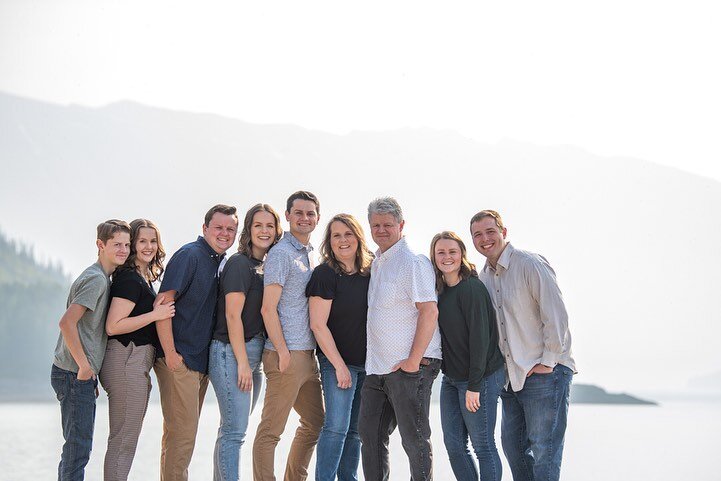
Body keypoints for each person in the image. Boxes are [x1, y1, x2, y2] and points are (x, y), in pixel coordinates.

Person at [470, 210, 576, 481]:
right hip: (511, 379)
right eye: (477, 234)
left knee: (545, 453)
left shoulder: (529, 264)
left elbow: (556, 315)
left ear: (504, 232)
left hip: (545, 373)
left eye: (490, 231)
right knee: (514, 449)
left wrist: (549, 361)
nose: (485, 239)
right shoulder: (483, 279)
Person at [359, 197, 442, 481]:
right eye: (375, 225)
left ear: (401, 225)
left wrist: (413, 362)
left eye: (387, 225)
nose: (381, 230)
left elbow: (429, 311)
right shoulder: (378, 263)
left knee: (414, 439)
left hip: (411, 368)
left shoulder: (413, 262)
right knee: (369, 436)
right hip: (377, 369)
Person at [154, 204, 239, 481]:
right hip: (180, 360)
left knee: (179, 437)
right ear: (205, 229)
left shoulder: (219, 261)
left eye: (230, 229)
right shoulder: (190, 255)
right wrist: (171, 355)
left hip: (199, 364)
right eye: (219, 227)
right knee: (182, 439)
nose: (224, 233)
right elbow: (162, 304)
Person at [51, 219, 131, 481]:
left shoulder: (102, 278)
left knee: (77, 449)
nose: (123, 250)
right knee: (78, 450)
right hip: (73, 373)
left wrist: (90, 371)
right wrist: (84, 367)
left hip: (78, 374)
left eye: (127, 245)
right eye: (117, 244)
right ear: (100, 245)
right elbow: (66, 323)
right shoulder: (96, 279)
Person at [253, 190, 325, 481]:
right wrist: (282, 351)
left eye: (310, 213)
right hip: (286, 355)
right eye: (299, 213)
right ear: (288, 216)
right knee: (271, 431)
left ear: (317, 218)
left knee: (315, 422)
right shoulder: (281, 254)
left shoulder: (310, 254)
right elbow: (268, 309)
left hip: (308, 356)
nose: (304, 218)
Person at [208, 204, 282, 481]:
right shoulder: (240, 263)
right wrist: (241, 362)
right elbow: (231, 314)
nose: (264, 231)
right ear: (249, 230)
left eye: (269, 226)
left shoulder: (267, 266)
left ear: (276, 231)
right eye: (258, 225)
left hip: (254, 355)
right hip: (231, 353)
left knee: (231, 429)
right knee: (234, 432)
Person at [99, 219, 174, 481]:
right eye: (142, 241)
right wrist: (156, 315)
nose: (149, 246)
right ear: (132, 244)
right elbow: (113, 326)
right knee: (123, 441)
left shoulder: (141, 277)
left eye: (153, 241)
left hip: (133, 361)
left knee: (124, 440)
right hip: (125, 359)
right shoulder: (130, 279)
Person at [430, 231, 505, 481]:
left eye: (452, 251)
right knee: (454, 448)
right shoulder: (439, 291)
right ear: (434, 256)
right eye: (441, 252)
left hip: (480, 377)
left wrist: (474, 385)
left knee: (483, 445)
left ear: (462, 254)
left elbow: (480, 340)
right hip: (452, 378)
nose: (447, 257)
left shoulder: (471, 288)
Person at [307, 214, 374, 481]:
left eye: (348, 234)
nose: (343, 240)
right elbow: (318, 325)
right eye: (336, 235)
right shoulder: (325, 274)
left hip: (367, 364)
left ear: (358, 237)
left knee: (356, 430)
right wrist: (339, 366)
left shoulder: (371, 273)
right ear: (329, 242)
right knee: (336, 427)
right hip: (336, 363)